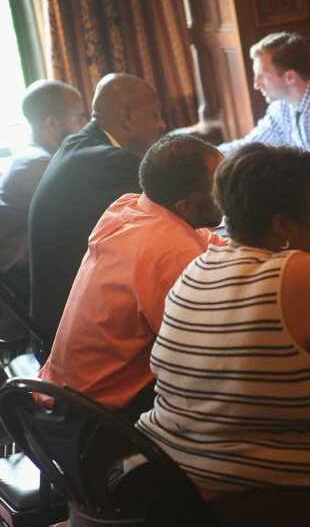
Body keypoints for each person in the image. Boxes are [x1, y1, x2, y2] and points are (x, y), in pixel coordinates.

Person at [137, 143, 310, 525]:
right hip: (279, 502)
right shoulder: (298, 273)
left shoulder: (199, 265)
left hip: (180, 489)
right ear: (283, 226)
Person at [39, 135, 225, 421]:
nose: (229, 191)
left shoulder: (130, 207)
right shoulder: (170, 252)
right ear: (187, 205)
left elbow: (199, 238)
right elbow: (202, 353)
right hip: (103, 417)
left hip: (59, 394)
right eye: (221, 185)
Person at [28, 73, 166, 347]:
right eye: (154, 115)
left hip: (57, 323)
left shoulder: (79, 146)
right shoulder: (110, 163)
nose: (162, 124)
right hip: (77, 340)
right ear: (127, 116)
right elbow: (172, 224)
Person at [219, 32, 310, 176]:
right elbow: (249, 146)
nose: (256, 85)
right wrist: (206, 153)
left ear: (290, 77)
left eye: (262, 76)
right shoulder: (280, 107)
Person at [0, 80, 85, 301]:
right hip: (24, 283)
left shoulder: (34, 158)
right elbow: (78, 221)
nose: (85, 127)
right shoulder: (38, 166)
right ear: (52, 124)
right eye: (79, 117)